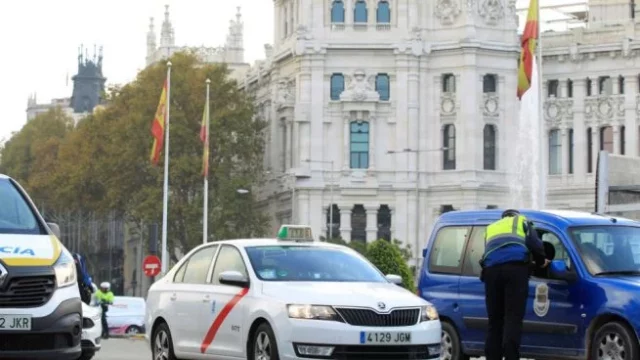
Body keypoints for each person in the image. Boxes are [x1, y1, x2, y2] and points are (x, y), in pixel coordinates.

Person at [479, 209, 549, 360]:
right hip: (515, 270)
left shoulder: (492, 227)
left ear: (503, 217)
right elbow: (535, 245)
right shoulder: (521, 221)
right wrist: (542, 262)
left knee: (495, 321)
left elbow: (488, 252)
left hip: (491, 272)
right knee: (513, 318)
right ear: (515, 215)